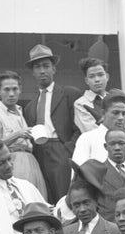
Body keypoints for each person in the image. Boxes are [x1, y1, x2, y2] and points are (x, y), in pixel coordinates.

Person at [23, 44, 81, 203]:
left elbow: (79, 128)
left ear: (54, 69)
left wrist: (67, 150)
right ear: (33, 72)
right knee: (44, 197)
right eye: (37, 67)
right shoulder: (29, 107)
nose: (42, 71)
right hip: (38, 154)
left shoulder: (69, 94)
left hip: (60, 149)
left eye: (46, 66)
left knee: (64, 198)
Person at [0, 71, 47, 196]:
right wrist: (17, 134)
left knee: (36, 200)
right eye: (6, 90)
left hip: (31, 161)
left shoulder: (20, 112)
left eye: (14, 89)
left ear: (20, 90)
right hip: (12, 160)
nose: (11, 94)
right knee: (20, 200)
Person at [78, 128, 125, 222]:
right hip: (108, 230)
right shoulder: (96, 172)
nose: (117, 148)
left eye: (121, 143)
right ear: (105, 146)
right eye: (112, 144)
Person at [72, 89, 125, 167]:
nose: (121, 117)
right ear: (103, 113)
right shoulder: (87, 139)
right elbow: (78, 173)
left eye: (123, 114)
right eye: (116, 113)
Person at [74, 57, 110, 133]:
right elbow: (92, 132)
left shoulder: (115, 99)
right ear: (86, 80)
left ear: (107, 77)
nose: (97, 79)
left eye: (100, 75)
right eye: (92, 76)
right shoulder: (81, 104)